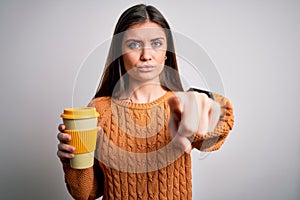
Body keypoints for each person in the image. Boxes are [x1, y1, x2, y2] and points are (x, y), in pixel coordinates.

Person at [57, 4, 234, 200]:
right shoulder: (99, 110)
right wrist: (73, 160)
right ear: (119, 52)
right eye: (134, 45)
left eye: (156, 43)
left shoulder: (181, 104)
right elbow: (85, 194)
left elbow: (221, 124)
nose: (146, 56)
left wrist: (207, 104)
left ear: (167, 51)